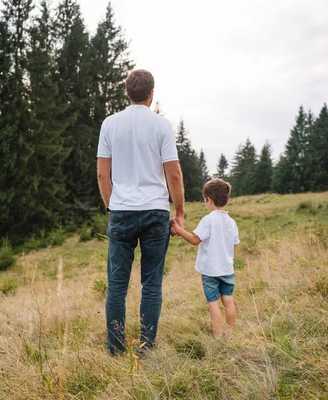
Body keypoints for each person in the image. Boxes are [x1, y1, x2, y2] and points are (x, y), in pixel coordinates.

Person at [97, 69, 185, 355]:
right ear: (151, 94)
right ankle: (146, 346)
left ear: (127, 92)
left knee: (117, 286)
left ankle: (116, 348)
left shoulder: (110, 124)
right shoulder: (162, 126)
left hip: (121, 211)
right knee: (151, 284)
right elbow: (173, 175)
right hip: (155, 212)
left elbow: (102, 174)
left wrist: (112, 206)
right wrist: (180, 211)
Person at [171, 179, 239, 336]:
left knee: (213, 302)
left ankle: (217, 335)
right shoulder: (232, 222)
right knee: (228, 300)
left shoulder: (208, 220)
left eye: (205, 200)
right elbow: (234, 246)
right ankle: (230, 335)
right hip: (227, 269)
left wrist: (179, 230)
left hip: (210, 271)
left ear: (209, 200)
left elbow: (195, 240)